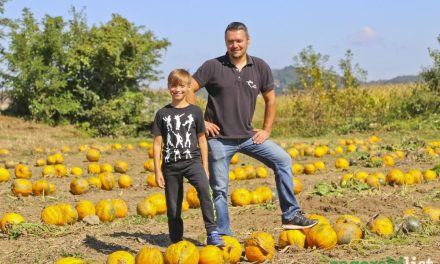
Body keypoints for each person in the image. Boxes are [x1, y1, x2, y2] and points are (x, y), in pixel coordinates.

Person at [188, 22, 318, 235]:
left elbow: (271, 100)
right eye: (231, 41)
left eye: (239, 40)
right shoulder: (213, 66)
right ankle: (223, 234)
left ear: (248, 41)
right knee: (219, 189)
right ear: (226, 42)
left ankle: (291, 215)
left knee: (283, 160)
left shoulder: (259, 67)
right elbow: (189, 89)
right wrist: (201, 123)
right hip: (218, 139)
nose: (235, 45)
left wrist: (266, 129)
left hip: (248, 136)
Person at [152, 69, 224, 246]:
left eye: (181, 86)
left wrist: (205, 167)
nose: (177, 90)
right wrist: (157, 170)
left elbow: (202, 140)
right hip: (170, 165)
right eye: (174, 86)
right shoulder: (162, 114)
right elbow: (156, 144)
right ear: (169, 87)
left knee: (205, 193)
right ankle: (176, 240)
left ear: (188, 87)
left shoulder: (195, 112)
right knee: (173, 206)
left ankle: (212, 232)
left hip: (193, 162)